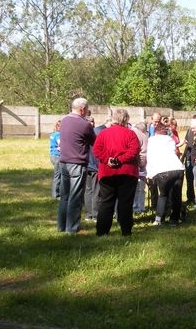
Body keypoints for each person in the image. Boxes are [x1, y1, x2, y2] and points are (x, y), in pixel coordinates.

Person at [93, 108, 140, 237]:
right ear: (126, 119)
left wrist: (107, 160)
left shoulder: (103, 133)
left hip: (107, 173)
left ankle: (102, 231)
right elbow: (134, 151)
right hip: (127, 173)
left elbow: (96, 150)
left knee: (106, 202)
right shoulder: (130, 134)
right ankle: (126, 231)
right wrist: (120, 160)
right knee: (125, 203)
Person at [56, 98, 96, 234]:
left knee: (65, 196)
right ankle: (72, 228)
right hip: (77, 163)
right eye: (87, 109)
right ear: (82, 109)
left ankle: (61, 226)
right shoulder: (84, 124)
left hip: (63, 162)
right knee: (75, 196)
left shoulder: (64, 120)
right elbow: (94, 141)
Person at [147, 122, 185, 226]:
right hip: (177, 168)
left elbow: (149, 157)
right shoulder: (169, 139)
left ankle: (159, 219)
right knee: (177, 195)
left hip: (163, 170)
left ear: (155, 132)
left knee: (163, 195)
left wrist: (149, 173)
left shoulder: (151, 140)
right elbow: (174, 151)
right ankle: (175, 219)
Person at [182, 114, 196, 206]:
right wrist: (183, 156)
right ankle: (190, 197)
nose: (192, 126)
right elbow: (186, 143)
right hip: (188, 157)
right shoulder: (189, 131)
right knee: (189, 179)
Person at [132, 122, 148, 213]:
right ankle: (139, 207)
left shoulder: (129, 132)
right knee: (141, 188)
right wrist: (141, 165)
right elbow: (144, 153)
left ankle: (133, 206)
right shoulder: (143, 136)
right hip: (139, 166)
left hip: (129, 165)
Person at [49, 120, 61, 199]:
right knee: (58, 175)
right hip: (57, 156)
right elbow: (61, 144)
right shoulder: (58, 135)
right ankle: (55, 195)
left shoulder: (53, 134)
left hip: (52, 155)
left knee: (58, 175)